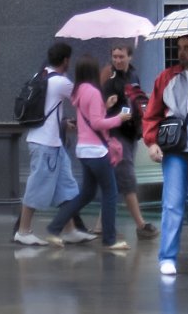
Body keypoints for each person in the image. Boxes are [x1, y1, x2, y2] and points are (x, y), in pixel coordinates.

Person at [142, 33, 188, 277]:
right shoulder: (166, 77)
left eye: (186, 47)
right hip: (176, 149)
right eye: (179, 47)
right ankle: (167, 257)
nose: (181, 52)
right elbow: (151, 113)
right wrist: (152, 143)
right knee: (172, 204)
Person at [44, 54, 132, 250]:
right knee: (110, 193)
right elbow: (97, 123)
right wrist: (120, 118)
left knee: (87, 193)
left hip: (84, 150)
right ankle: (109, 239)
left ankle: (54, 227)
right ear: (93, 71)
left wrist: (105, 106)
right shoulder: (92, 92)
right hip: (96, 151)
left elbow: (91, 116)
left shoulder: (79, 91)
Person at [13, 42, 95, 246]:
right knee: (36, 185)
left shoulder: (40, 75)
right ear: (66, 60)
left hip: (50, 142)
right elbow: (85, 97)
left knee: (66, 186)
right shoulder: (60, 82)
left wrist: (63, 123)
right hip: (46, 144)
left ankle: (69, 230)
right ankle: (23, 231)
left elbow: (48, 108)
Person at [93, 44, 159, 239]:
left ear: (130, 57)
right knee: (127, 178)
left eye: (121, 56)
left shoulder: (133, 75)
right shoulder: (108, 77)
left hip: (130, 132)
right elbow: (97, 108)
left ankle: (100, 225)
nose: (117, 60)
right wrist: (108, 104)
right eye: (115, 56)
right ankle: (140, 225)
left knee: (113, 181)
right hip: (116, 133)